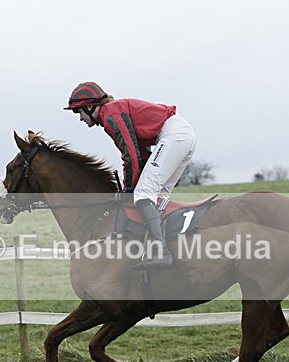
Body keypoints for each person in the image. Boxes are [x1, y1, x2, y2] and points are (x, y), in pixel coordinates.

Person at [65, 81, 196, 267]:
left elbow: (130, 156)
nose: (80, 118)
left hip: (174, 135)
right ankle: (161, 248)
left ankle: (162, 252)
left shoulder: (110, 113)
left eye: (79, 111)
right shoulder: (111, 113)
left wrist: (127, 190)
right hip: (181, 135)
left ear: (90, 106)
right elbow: (141, 154)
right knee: (157, 197)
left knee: (143, 194)